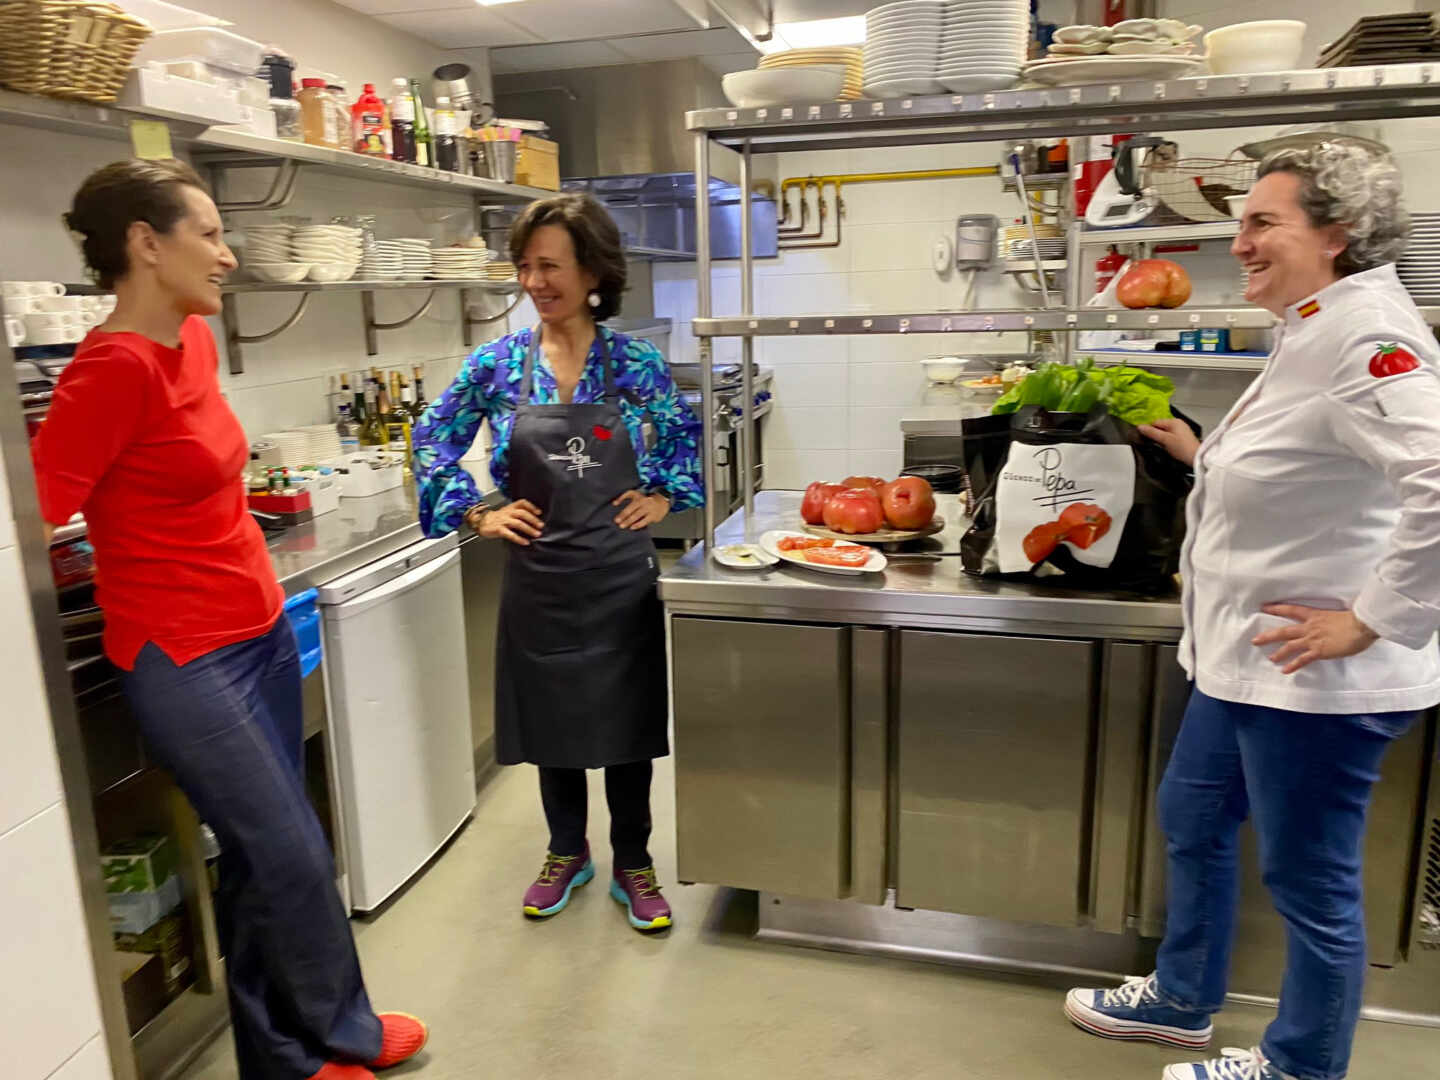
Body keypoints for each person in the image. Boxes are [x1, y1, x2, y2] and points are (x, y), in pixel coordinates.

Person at [32, 159, 427, 1080]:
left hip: (255, 628)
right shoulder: (110, 371)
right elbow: (38, 508)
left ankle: (281, 1054)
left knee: (262, 855)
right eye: (208, 233)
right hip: (183, 655)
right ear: (145, 244)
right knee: (289, 852)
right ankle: (340, 1033)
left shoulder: (194, 343)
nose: (226, 251)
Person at [1062, 141, 1440, 1080]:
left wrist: (1374, 618)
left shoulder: (1366, 336)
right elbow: (1308, 473)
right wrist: (1200, 451)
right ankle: (1184, 999)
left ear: (1338, 233)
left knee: (1311, 882)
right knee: (1191, 818)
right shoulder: (1311, 326)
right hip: (1243, 661)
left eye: (1264, 222)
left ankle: (1301, 1066)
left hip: (1318, 673)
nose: (1241, 243)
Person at [413, 192, 703, 932]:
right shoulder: (498, 364)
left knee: (627, 723)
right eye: (526, 266)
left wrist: (663, 498)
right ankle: (565, 851)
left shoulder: (632, 361)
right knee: (552, 720)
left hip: (617, 573)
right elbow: (430, 437)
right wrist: (479, 511)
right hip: (539, 575)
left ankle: (633, 860)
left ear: (593, 271)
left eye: (552, 265)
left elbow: (679, 441)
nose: (536, 280)